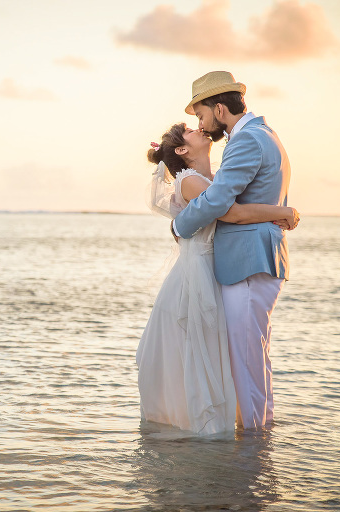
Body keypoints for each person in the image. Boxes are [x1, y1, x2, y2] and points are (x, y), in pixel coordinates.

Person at [137, 121, 298, 436]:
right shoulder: (190, 181)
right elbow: (233, 213)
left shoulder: (208, 179)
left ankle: (232, 426)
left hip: (212, 268)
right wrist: (283, 212)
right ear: (183, 151)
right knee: (204, 350)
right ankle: (214, 427)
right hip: (198, 273)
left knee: (217, 350)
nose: (199, 129)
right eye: (190, 131)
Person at [171, 71, 292, 430]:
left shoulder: (248, 141)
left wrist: (179, 225)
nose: (201, 123)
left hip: (248, 263)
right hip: (256, 259)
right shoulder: (263, 135)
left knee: (245, 358)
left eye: (202, 114)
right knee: (254, 355)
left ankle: (253, 447)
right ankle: (259, 439)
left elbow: (219, 200)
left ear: (220, 108)